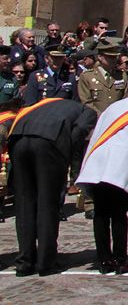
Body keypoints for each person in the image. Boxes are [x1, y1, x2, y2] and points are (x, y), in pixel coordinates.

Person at [8, 90, 96, 276]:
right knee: (48, 203)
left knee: (24, 204)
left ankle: (24, 262)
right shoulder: (85, 110)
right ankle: (45, 262)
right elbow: (79, 132)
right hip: (49, 144)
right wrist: (70, 160)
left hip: (18, 140)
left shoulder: (38, 106)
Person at [76, 84, 128, 274]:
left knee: (101, 214)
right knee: (119, 215)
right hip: (121, 163)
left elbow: (96, 135)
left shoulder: (112, 108)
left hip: (98, 161)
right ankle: (120, 260)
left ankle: (104, 260)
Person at [77, 40, 128, 116]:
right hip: (95, 120)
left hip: (117, 119)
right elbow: (86, 102)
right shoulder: (87, 76)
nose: (113, 60)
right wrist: (101, 116)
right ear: (100, 57)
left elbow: (126, 98)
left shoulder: (121, 75)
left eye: (115, 57)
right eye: (109, 57)